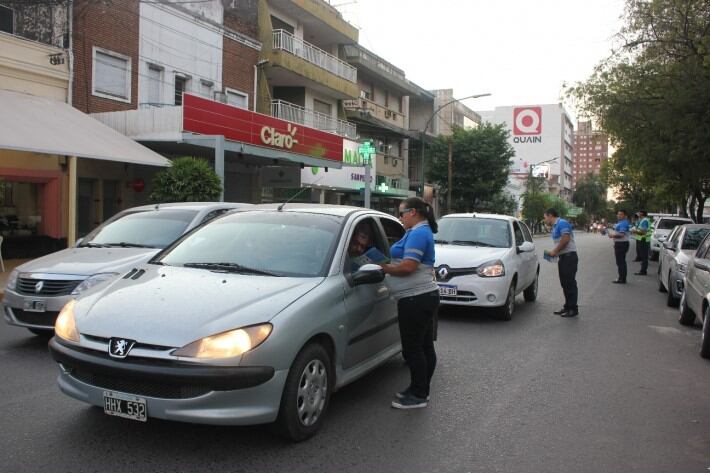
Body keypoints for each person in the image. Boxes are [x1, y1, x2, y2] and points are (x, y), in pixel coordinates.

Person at [379, 197, 439, 409]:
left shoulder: (419, 233)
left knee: (413, 349)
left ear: (413, 212)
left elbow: (407, 267)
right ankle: (419, 388)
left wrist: (382, 267)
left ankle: (420, 394)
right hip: (421, 297)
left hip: (416, 298)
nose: (400, 217)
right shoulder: (418, 232)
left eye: (402, 213)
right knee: (423, 346)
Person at [544, 208, 579, 317]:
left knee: (569, 283)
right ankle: (567, 306)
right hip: (563, 257)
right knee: (564, 283)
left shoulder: (562, 223)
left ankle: (573, 309)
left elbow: (566, 239)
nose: (545, 220)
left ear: (550, 215)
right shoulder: (555, 226)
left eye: (545, 217)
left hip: (569, 257)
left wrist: (555, 251)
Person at [609, 209, 631, 284]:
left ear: (625, 216)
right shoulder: (621, 222)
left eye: (621, 214)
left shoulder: (623, 223)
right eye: (618, 214)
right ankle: (622, 277)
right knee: (620, 262)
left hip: (622, 244)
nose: (619, 215)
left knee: (621, 262)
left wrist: (612, 235)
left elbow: (621, 235)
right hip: (620, 244)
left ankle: (622, 279)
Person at [631, 210, 651, 275]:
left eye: (639, 213)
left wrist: (635, 231)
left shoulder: (644, 220)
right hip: (642, 239)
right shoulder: (642, 220)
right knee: (643, 256)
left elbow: (644, 231)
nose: (638, 214)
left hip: (643, 239)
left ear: (642, 214)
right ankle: (643, 270)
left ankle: (643, 271)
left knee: (644, 256)